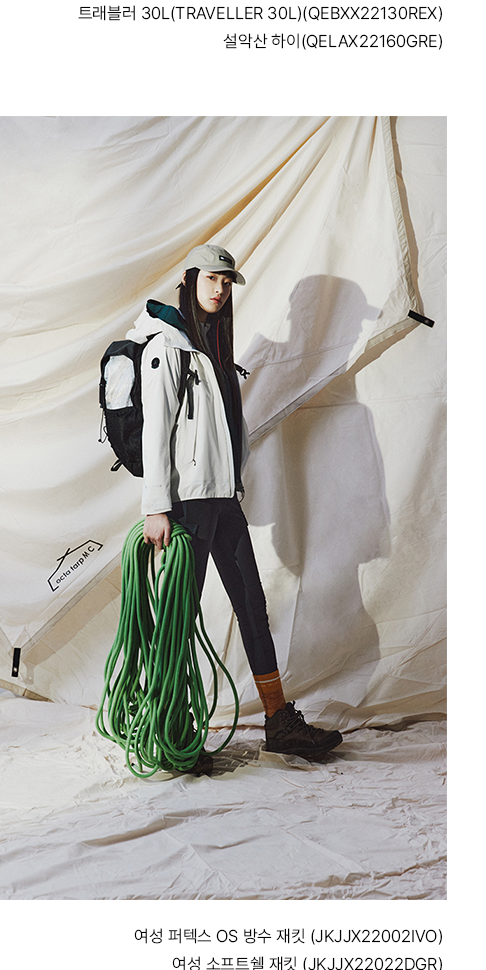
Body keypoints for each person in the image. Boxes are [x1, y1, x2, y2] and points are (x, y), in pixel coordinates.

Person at [124, 238, 342, 764]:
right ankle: (170, 730)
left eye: (226, 282)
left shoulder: (215, 347)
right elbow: (156, 433)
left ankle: (278, 720)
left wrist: (233, 484)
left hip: (223, 499)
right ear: (188, 281)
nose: (219, 290)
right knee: (179, 616)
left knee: (252, 605)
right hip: (187, 504)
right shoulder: (166, 348)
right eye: (211, 279)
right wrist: (156, 508)